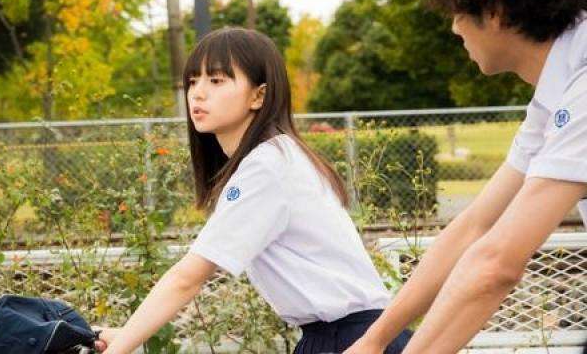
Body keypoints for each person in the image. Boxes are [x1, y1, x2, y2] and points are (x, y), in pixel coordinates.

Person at [94, 27, 411, 354]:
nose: (198, 93)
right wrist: (126, 334)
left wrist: (121, 348)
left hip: (351, 340)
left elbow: (188, 278)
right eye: (193, 81)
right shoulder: (275, 157)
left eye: (216, 80)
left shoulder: (267, 166)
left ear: (258, 96)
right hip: (341, 336)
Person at [345, 0, 587, 353]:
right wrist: (373, 341)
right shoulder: (557, 93)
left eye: (458, 13)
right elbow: (475, 226)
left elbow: (497, 264)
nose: (455, 28)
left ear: (493, 11)